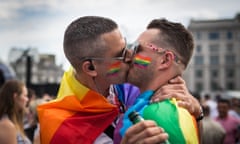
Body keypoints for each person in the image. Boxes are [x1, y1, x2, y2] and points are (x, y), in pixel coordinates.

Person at [37, 16, 202, 144]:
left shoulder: (132, 87)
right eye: (121, 54)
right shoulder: (60, 127)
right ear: (91, 68)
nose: (131, 56)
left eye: (129, 46)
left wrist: (197, 113)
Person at [116, 19, 201, 144]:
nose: (128, 56)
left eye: (136, 49)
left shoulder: (157, 114)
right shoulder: (156, 106)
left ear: (165, 60)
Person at [0, 79, 31, 144]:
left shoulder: (12, 122)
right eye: (25, 96)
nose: (27, 99)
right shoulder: (6, 125)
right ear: (15, 97)